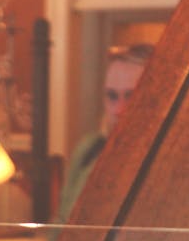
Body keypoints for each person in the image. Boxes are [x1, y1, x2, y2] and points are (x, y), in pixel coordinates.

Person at [54, 43, 154, 226]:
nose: (119, 110)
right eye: (112, 96)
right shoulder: (89, 150)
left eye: (131, 96)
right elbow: (61, 226)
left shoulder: (169, 158)